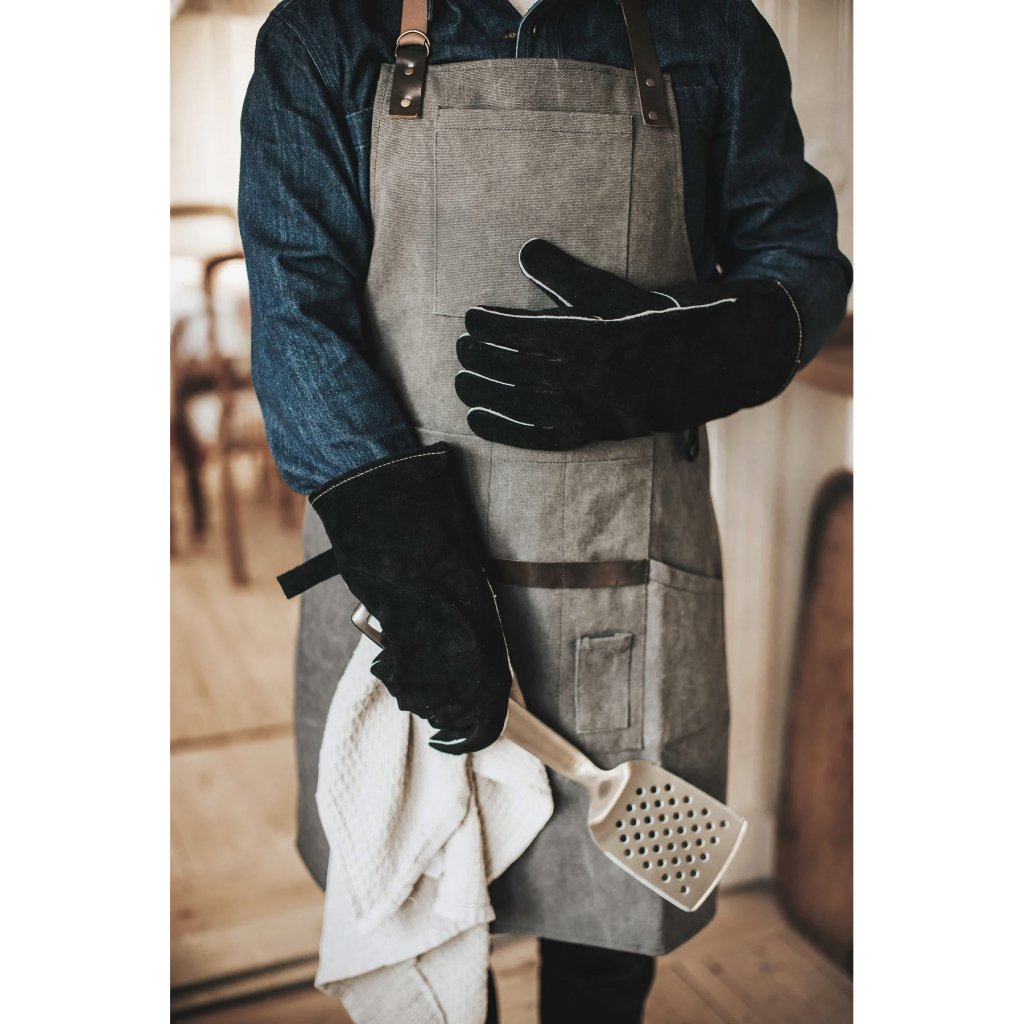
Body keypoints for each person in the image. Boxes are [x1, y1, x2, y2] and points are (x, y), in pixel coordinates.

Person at [239, 1, 852, 1020]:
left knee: (607, 947)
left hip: (630, 589)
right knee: (426, 932)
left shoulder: (712, 30)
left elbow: (800, 266)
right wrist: (417, 581)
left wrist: (678, 354)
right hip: (399, 594)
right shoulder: (324, 34)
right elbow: (297, 315)